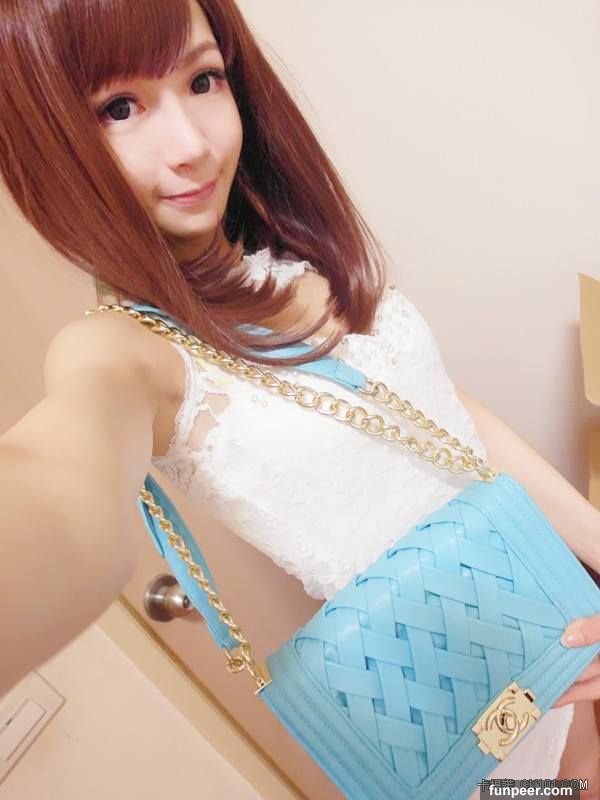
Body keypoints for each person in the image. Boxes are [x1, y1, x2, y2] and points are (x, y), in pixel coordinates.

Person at [0, 0, 599, 796]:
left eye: (202, 80)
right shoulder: (120, 353)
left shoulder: (283, 256)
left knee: (587, 767)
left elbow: (447, 418)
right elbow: (55, 486)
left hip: (543, 609)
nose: (192, 145)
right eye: (118, 108)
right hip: (455, 710)